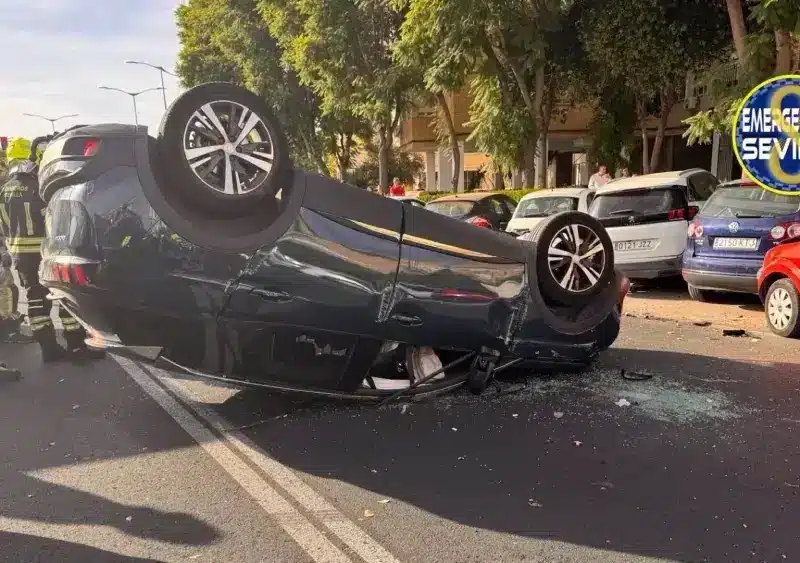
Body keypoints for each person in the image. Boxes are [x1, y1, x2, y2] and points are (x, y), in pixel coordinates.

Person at [0, 137, 103, 362]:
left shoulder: (4, 188)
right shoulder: (37, 185)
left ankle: (48, 348)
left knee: (35, 298)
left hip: (20, 253)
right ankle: (76, 346)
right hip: (47, 249)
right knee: (64, 294)